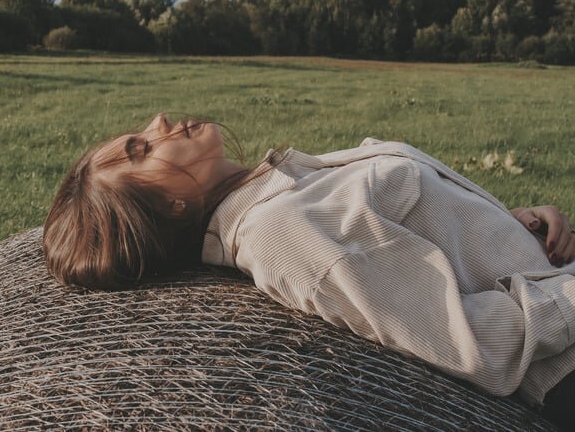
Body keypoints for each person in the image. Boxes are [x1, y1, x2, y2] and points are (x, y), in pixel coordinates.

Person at [43, 113, 575, 424]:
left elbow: (430, 242)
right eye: (141, 148)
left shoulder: (285, 189)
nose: (159, 122)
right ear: (169, 207)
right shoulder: (283, 230)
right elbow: (475, 345)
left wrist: (508, 226)